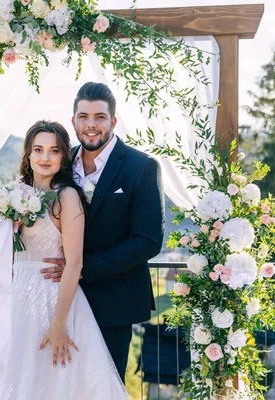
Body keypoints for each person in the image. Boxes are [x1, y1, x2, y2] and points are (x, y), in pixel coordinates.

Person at [0, 120, 128, 399]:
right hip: (15, 302)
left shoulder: (67, 197)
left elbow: (74, 263)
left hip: (53, 300)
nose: (45, 157)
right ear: (28, 155)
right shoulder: (15, 194)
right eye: (38, 149)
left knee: (53, 381)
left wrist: (58, 323)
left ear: (64, 156)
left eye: (53, 151)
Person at [41, 82, 165, 382]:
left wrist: (83, 268)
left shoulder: (141, 167)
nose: (91, 125)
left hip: (115, 301)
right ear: (73, 122)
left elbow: (148, 241)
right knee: (59, 385)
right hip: (58, 298)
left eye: (99, 117)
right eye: (83, 117)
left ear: (113, 121)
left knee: (105, 386)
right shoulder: (61, 162)